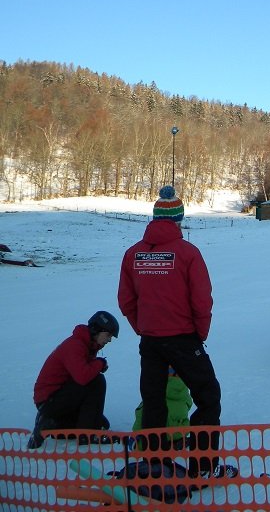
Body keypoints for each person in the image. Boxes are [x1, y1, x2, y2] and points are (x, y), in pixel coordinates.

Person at [118, 185, 236, 479]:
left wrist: (144, 327)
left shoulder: (133, 254)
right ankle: (204, 468)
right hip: (184, 338)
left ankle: (155, 464)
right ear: (178, 220)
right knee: (207, 397)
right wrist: (200, 334)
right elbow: (201, 298)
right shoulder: (187, 252)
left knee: (154, 401)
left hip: (151, 341)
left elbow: (126, 300)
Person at [28, 311, 119, 449]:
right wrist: (99, 364)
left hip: (58, 399)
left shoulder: (87, 345)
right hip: (49, 401)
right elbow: (82, 377)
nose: (109, 340)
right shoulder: (75, 345)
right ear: (96, 330)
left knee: (101, 423)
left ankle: (52, 424)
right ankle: (87, 435)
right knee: (97, 381)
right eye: (108, 335)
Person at [132, 366, 193, 450]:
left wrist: (135, 437)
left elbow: (141, 415)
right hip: (180, 430)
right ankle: (175, 441)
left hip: (156, 434)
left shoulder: (155, 392)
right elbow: (189, 404)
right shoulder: (184, 392)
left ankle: (162, 446)